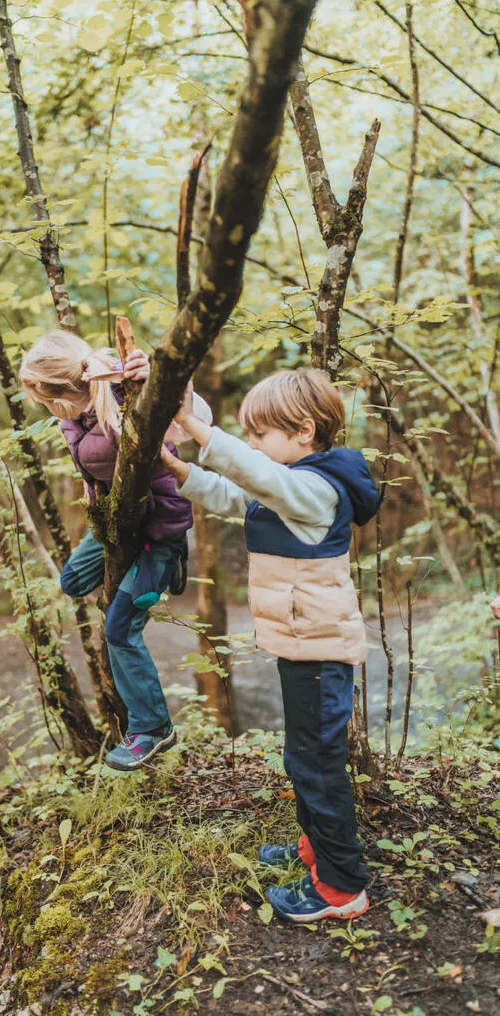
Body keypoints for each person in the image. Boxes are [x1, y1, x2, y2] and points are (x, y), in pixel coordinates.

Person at [161, 369, 380, 922]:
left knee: (316, 762)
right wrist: (181, 469)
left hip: (319, 649)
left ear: (304, 430)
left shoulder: (315, 488)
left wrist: (193, 425)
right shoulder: (292, 483)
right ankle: (316, 850)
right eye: (249, 436)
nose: (253, 445)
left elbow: (255, 475)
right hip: (301, 643)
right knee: (304, 756)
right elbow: (240, 494)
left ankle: (340, 887)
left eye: (260, 434)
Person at [20, 330, 206, 771]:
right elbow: (91, 466)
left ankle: (153, 728)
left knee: (119, 628)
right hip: (117, 522)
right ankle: (137, 577)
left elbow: (194, 421)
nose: (44, 409)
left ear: (61, 392)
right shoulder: (72, 417)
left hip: (159, 530)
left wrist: (166, 382)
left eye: (43, 399)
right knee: (73, 580)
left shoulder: (127, 389)